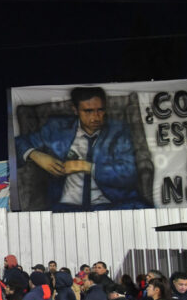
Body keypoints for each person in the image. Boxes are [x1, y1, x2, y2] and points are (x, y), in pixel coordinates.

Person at [14, 86, 148, 211]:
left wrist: (86, 166)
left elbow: (128, 173)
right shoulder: (57, 128)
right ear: (75, 110)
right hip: (66, 207)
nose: (95, 117)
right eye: (88, 111)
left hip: (110, 204)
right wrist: (35, 155)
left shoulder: (118, 131)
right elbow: (18, 143)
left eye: (100, 110)